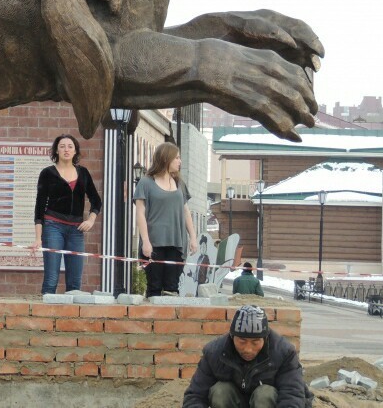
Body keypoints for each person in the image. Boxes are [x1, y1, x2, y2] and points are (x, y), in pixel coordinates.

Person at [182, 305, 313, 408]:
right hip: (234, 401)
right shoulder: (215, 352)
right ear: (232, 336)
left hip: (265, 403)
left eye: (255, 342)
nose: (248, 349)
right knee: (220, 391)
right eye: (242, 341)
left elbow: (292, 395)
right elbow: (195, 395)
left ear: (265, 338)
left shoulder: (284, 352)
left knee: (265, 394)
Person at [31, 134, 102, 294]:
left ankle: (72, 310)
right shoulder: (47, 173)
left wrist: (90, 220)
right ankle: (47, 308)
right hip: (53, 227)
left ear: (75, 151)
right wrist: (38, 238)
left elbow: (96, 201)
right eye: (62, 146)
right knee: (51, 278)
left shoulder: (83, 173)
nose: (66, 149)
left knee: (75, 280)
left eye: (70, 146)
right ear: (56, 150)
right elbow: (39, 207)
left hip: (76, 230)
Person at [133, 142, 198, 298]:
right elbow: (140, 213)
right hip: (154, 243)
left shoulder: (179, 183)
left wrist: (193, 237)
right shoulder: (146, 182)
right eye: (176, 158)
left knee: (172, 288)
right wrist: (145, 241)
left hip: (176, 243)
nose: (180, 161)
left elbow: (186, 211)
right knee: (154, 287)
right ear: (165, 158)